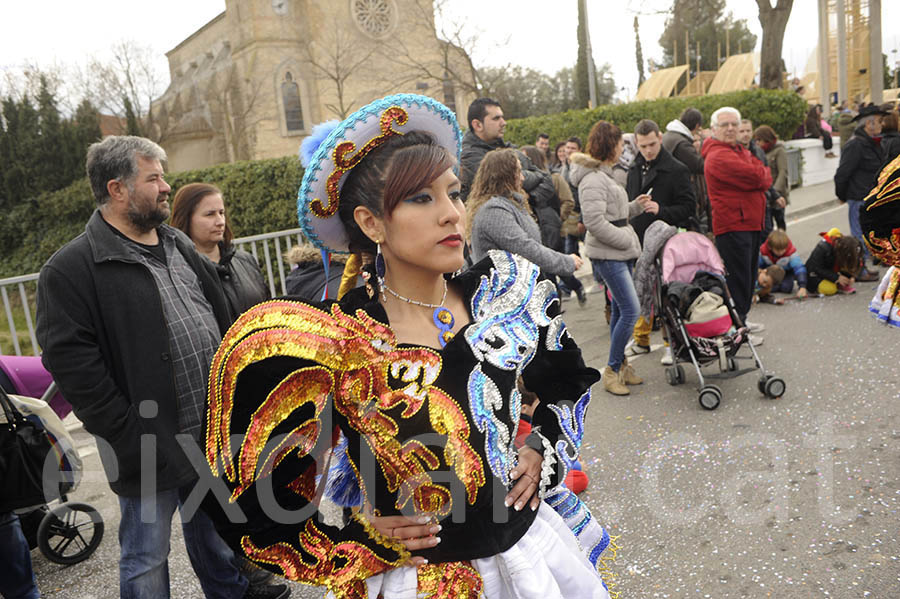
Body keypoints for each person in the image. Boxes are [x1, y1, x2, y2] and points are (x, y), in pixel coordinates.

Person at [201, 94, 615, 598]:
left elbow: (569, 380)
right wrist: (355, 542)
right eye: (422, 198)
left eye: (455, 193)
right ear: (372, 223)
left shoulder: (506, 292)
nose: (451, 215)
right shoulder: (335, 343)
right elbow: (242, 496)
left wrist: (541, 446)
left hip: (528, 563)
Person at [35, 136, 289, 599]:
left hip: (210, 430)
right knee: (146, 558)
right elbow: (72, 363)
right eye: (153, 178)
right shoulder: (71, 269)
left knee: (217, 537)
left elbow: (219, 317)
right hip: (148, 443)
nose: (166, 187)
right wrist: (128, 434)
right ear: (117, 189)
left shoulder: (175, 243)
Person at [568, 120, 648, 396]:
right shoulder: (592, 179)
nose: (622, 149)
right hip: (609, 254)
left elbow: (613, 212)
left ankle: (621, 365)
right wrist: (626, 238)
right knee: (630, 310)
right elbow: (594, 221)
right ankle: (612, 369)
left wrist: (635, 207)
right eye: (619, 144)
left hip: (618, 251)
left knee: (620, 310)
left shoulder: (603, 174)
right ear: (609, 145)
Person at [623, 119, 696, 360]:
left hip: (667, 243)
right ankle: (641, 339)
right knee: (641, 290)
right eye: (643, 146)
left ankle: (670, 343)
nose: (648, 150)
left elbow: (689, 208)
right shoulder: (634, 168)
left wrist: (661, 209)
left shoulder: (677, 168)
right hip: (640, 241)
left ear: (661, 138)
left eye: (652, 144)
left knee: (666, 296)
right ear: (636, 143)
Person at [702, 107, 772, 342]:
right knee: (738, 280)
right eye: (725, 125)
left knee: (747, 276)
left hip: (748, 222)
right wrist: (760, 174)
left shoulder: (737, 150)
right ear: (714, 130)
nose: (731, 128)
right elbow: (759, 177)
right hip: (734, 224)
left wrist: (760, 174)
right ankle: (737, 328)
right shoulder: (719, 156)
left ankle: (741, 319)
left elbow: (763, 174)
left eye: (734, 124)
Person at [468, 147, 584, 287]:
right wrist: (566, 262)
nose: (522, 178)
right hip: (506, 295)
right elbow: (525, 248)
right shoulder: (494, 211)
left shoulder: (507, 204)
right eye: (518, 171)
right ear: (505, 176)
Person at [170, 182, 270, 321]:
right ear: (186, 218)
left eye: (221, 213)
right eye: (210, 214)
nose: (220, 221)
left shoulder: (246, 261)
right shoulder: (177, 272)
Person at [521, 145, 588, 305]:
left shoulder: (554, 178)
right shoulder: (523, 184)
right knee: (546, 270)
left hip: (552, 229)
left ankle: (573, 288)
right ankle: (556, 303)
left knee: (554, 266)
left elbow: (568, 201)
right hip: (535, 229)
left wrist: (558, 219)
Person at [834, 104, 886, 280]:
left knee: (866, 235)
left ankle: (861, 267)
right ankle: (859, 270)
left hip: (870, 198)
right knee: (859, 236)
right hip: (858, 198)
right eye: (879, 121)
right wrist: (842, 195)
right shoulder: (856, 145)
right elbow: (842, 174)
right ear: (869, 124)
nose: (882, 125)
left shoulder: (872, 143)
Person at [663, 107, 709, 232]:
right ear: (697, 126)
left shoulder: (670, 136)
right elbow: (701, 166)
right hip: (679, 197)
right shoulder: (681, 143)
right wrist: (708, 141)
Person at [738, 119, 784, 240]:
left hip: (764, 203)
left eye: (748, 130)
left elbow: (766, 177)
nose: (745, 134)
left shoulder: (758, 151)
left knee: (766, 238)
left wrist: (776, 195)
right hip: (745, 207)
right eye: (741, 131)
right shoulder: (732, 153)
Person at [804, 228, 863, 295]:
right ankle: (836, 284)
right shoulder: (822, 248)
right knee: (830, 289)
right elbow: (816, 268)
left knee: (845, 278)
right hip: (813, 275)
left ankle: (839, 283)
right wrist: (836, 278)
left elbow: (847, 265)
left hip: (828, 270)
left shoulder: (842, 248)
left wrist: (851, 276)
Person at [753, 125, 789, 231]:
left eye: (760, 140)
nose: (757, 143)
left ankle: (783, 245)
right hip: (766, 194)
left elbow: (783, 171)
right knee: (768, 227)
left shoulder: (779, 150)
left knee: (780, 222)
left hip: (778, 193)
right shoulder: (758, 152)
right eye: (756, 140)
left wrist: (775, 193)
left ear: (766, 139)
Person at [758, 229, 808, 298]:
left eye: (784, 249)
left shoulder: (791, 253)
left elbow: (799, 268)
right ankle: (767, 287)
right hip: (769, 274)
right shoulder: (763, 251)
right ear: (770, 247)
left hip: (785, 273)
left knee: (787, 288)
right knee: (763, 284)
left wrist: (802, 286)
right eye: (778, 250)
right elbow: (755, 266)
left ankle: (770, 287)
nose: (781, 252)